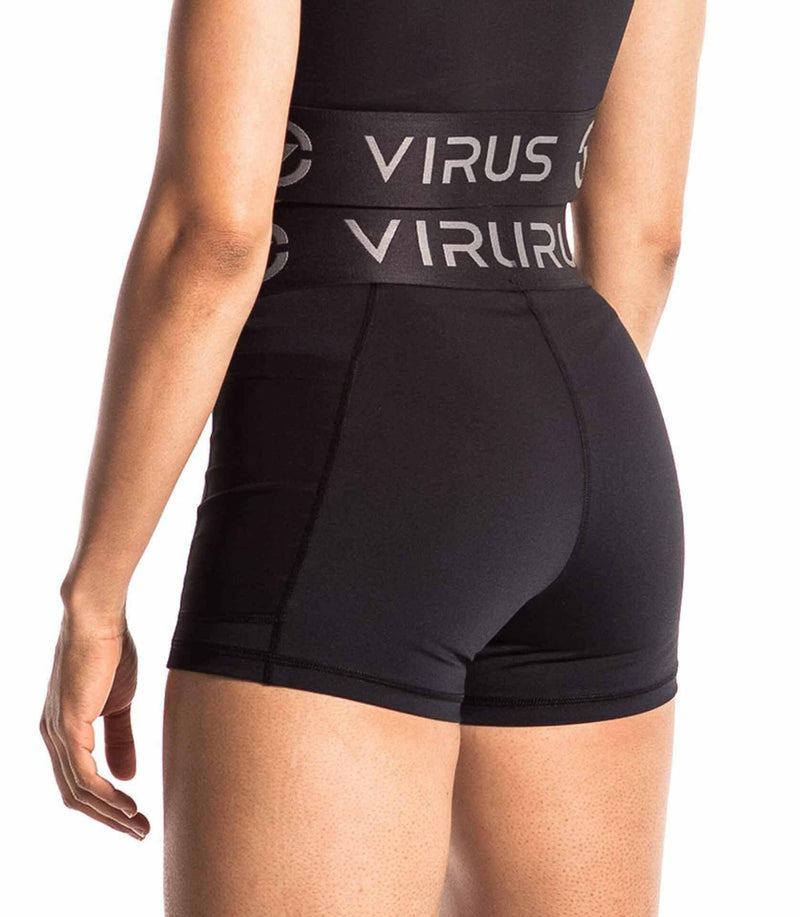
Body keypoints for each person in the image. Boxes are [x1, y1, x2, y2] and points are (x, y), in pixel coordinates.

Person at [40, 0, 706, 913]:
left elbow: (215, 237)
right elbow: (647, 237)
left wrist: (97, 590)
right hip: (602, 446)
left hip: (355, 462)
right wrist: (519, 465)